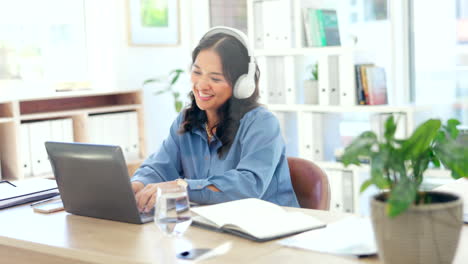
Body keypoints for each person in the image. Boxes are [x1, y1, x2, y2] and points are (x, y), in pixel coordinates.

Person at [131, 26, 299, 213]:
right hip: (211, 227)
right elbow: (159, 167)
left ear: (242, 84)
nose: (201, 85)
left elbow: (248, 186)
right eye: (197, 72)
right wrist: (138, 185)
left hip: (267, 228)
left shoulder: (262, 123)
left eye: (216, 78)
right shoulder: (186, 121)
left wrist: (182, 187)